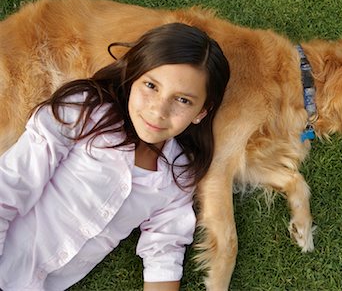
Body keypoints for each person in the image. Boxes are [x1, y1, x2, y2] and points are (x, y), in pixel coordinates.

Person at [0, 22, 230, 291]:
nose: (158, 111)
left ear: (202, 112)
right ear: (133, 76)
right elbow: (11, 186)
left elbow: (165, 248)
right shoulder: (84, 111)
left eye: (183, 100)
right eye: (151, 86)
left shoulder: (177, 174)